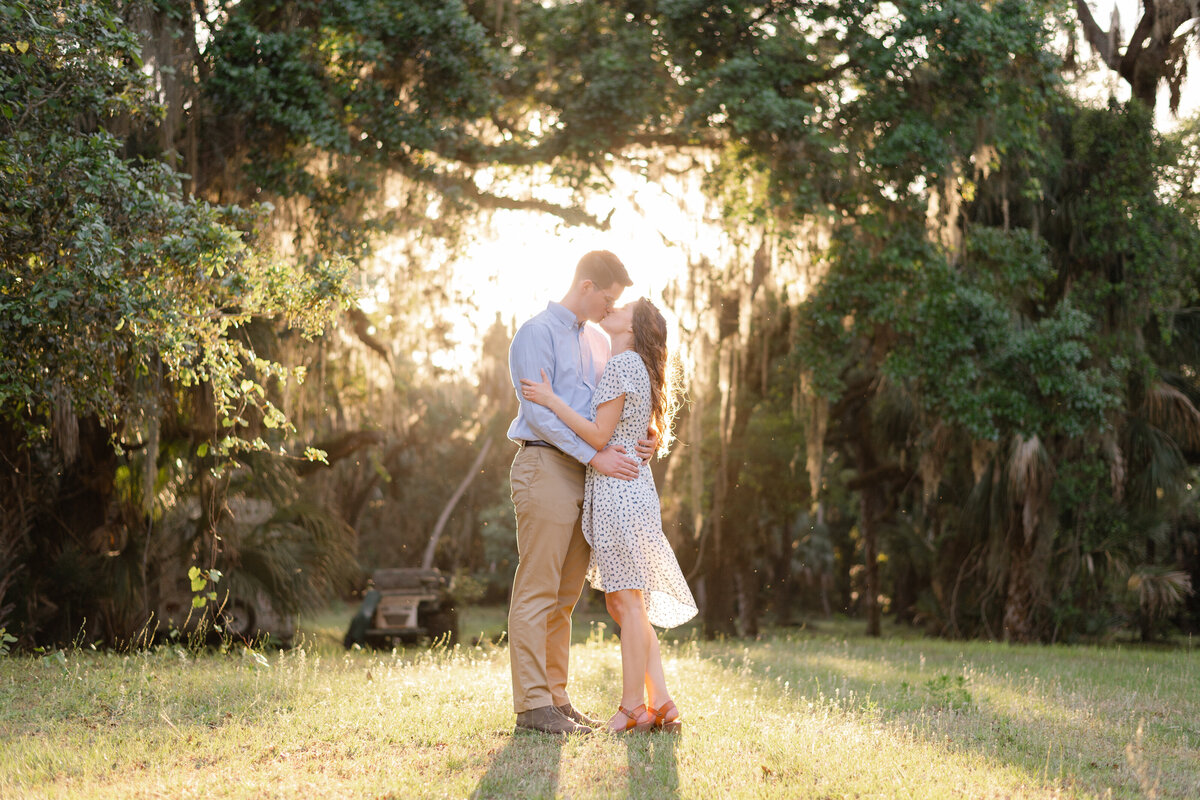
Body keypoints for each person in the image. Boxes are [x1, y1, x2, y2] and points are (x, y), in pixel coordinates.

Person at [521, 296, 696, 734]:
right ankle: (662, 702)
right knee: (627, 604)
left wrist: (549, 399)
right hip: (630, 489)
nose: (612, 306)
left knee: (625, 602)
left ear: (633, 326)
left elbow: (599, 433)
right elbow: (631, 425)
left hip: (618, 491)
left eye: (623, 306)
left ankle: (632, 707)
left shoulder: (621, 364)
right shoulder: (632, 363)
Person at [506, 250, 656, 736]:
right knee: (538, 587)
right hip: (545, 465)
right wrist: (594, 455)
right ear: (587, 285)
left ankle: (556, 698)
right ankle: (532, 705)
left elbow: (608, 412)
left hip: (589, 477)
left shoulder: (598, 340)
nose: (609, 309)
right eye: (607, 299)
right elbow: (541, 415)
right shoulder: (535, 333)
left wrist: (645, 435)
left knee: (565, 596)